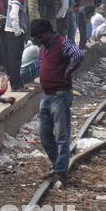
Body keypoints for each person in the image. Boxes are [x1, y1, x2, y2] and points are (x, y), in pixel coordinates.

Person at [30, 18, 85, 185]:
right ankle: (57, 166)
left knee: (62, 136)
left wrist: (68, 72)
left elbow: (78, 54)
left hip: (60, 95)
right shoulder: (43, 47)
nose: (38, 40)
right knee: (45, 136)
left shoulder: (62, 43)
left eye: (39, 37)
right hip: (46, 95)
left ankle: (61, 171)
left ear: (47, 32)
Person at [2, 0, 29, 90]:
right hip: (14, 31)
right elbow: (14, 14)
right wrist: (18, 32)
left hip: (15, 30)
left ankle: (18, 83)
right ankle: (15, 85)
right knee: (15, 60)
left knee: (17, 59)